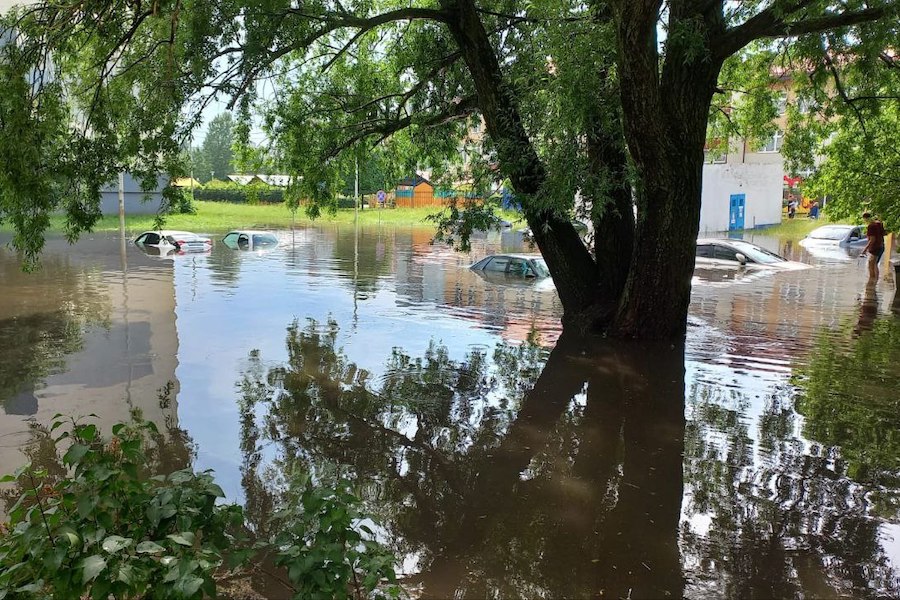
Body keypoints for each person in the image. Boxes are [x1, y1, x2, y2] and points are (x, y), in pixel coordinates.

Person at [861, 212, 887, 281]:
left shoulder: (871, 226)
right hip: (881, 246)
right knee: (875, 265)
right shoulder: (879, 224)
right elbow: (885, 233)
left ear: (866, 218)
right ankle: (875, 283)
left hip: (875, 248)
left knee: (871, 265)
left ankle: (871, 283)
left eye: (864, 219)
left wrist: (865, 249)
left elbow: (872, 240)